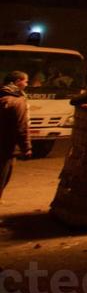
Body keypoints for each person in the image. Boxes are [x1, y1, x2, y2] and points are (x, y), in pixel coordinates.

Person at [0, 71, 32, 202]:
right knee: (2, 177)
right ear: (18, 82)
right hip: (5, 146)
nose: (26, 84)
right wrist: (26, 147)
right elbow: (21, 127)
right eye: (25, 81)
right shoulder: (17, 101)